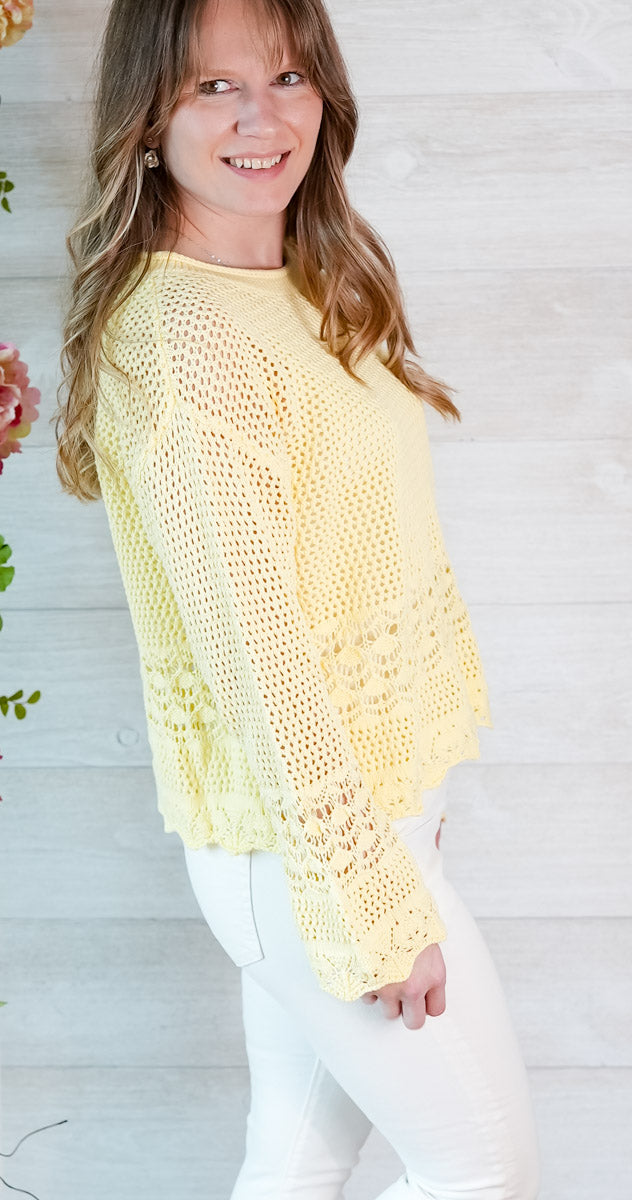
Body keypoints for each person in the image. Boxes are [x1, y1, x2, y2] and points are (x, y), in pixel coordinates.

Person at [54, 0, 542, 1196]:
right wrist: (368, 894)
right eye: (212, 88)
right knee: (483, 1170)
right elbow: (258, 659)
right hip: (312, 851)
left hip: (351, 823)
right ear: (146, 113)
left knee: (294, 1157)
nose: (260, 118)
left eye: (284, 75)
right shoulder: (181, 343)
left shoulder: (295, 281)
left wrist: (412, 799)